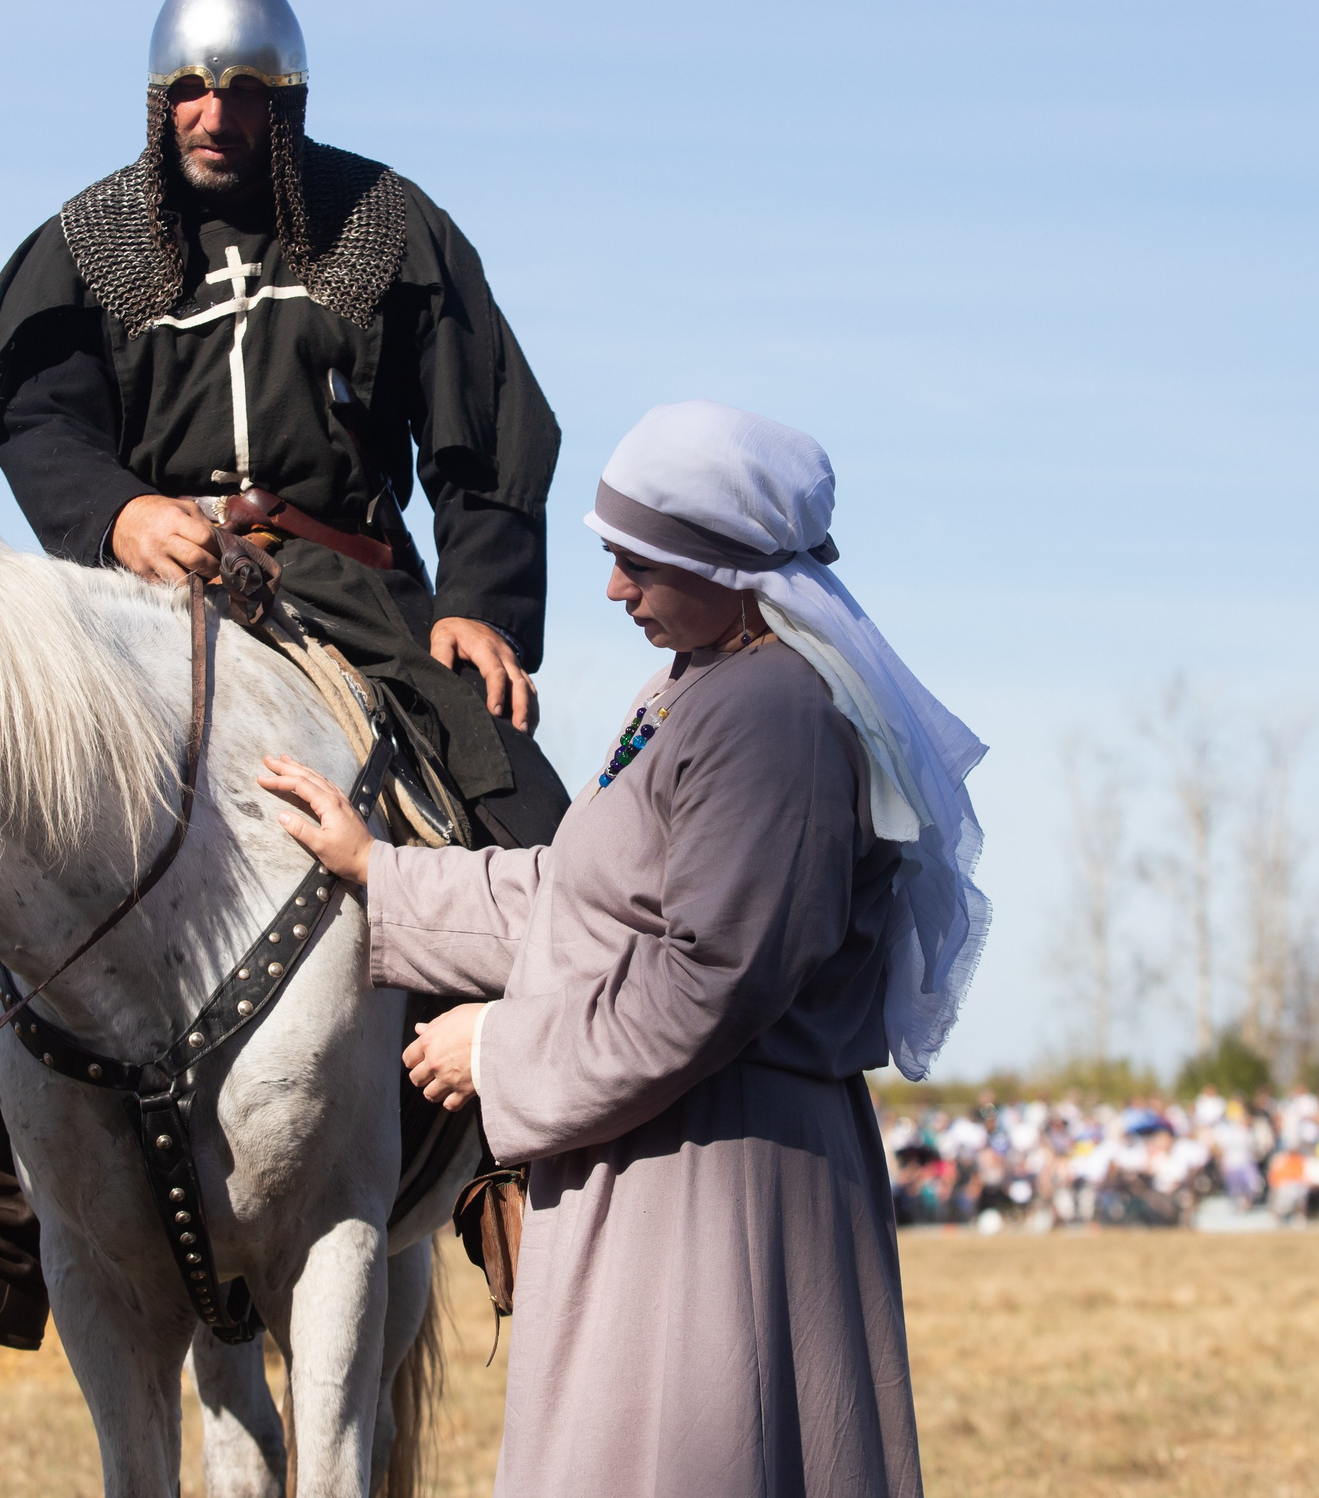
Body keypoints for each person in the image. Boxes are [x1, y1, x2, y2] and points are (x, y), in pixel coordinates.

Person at [0, 0, 570, 1347]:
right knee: (0, 831)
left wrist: (483, 603)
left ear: (285, 100)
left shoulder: (381, 225)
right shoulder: (92, 243)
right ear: (155, 97)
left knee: (514, 805)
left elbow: (479, 428)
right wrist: (114, 512)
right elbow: (38, 413)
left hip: (348, 592)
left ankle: (515, 1167)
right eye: (186, 91)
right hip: (145, 609)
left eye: (237, 91)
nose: (209, 115)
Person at [260, 401, 991, 1496]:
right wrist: (380, 869)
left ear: (724, 563)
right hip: (659, 1153)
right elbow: (577, 893)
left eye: (637, 563)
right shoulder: (693, 689)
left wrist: (499, 1049)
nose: (613, 589)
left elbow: (709, 980)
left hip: (722, 1186)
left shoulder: (777, 718)